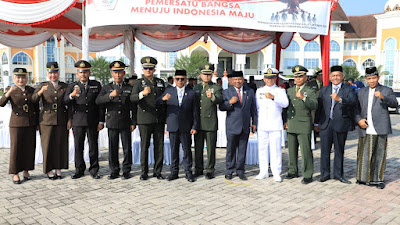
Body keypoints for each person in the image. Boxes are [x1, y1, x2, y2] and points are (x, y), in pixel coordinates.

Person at [354, 67, 398, 189]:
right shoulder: (361, 92)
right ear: (366, 79)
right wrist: (359, 120)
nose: (372, 80)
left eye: (374, 78)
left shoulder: (386, 90)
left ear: (378, 78)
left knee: (379, 154)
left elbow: (395, 104)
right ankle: (362, 177)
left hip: (380, 127)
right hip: (365, 127)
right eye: (369, 78)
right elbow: (355, 109)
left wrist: (383, 97)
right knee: (363, 154)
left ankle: (378, 179)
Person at [314, 65, 357, 184]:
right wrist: (316, 122)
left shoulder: (348, 89)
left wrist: (340, 99)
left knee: (339, 151)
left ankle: (338, 174)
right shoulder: (324, 89)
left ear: (342, 77)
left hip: (340, 124)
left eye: (338, 75)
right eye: (333, 75)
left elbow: (354, 103)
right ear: (330, 77)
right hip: (325, 124)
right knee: (325, 151)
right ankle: (325, 174)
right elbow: (319, 108)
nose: (336, 77)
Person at [64, 60, 104, 179]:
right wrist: (72, 95)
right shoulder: (71, 86)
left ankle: (94, 169)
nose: (83, 74)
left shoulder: (96, 85)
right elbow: (65, 101)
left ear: (89, 72)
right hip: (78, 120)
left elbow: (100, 105)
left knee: (93, 146)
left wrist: (101, 121)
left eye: (85, 72)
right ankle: (79, 169)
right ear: (77, 73)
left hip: (93, 120)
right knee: (78, 146)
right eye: (81, 72)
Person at [96, 61, 136, 180]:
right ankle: (114, 170)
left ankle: (126, 170)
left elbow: (133, 106)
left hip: (125, 121)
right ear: (112, 73)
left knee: (127, 148)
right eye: (115, 72)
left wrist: (134, 122)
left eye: (119, 72)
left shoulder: (129, 87)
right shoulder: (106, 87)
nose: (117, 75)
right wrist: (109, 96)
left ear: (124, 73)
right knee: (112, 148)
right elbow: (98, 102)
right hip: (112, 120)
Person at [157, 70, 199, 182]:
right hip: (173, 125)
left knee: (187, 150)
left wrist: (195, 126)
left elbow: (195, 111)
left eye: (182, 79)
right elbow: (157, 103)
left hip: (186, 126)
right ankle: (174, 172)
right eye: (177, 79)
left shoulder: (191, 93)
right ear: (174, 79)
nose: (180, 81)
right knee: (174, 150)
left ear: (186, 79)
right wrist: (163, 99)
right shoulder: (168, 90)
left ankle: (188, 172)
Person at [0, 68, 39, 184]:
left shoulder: (31, 90)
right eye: (18, 77)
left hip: (30, 123)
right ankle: (15, 172)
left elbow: (36, 107)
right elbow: (1, 103)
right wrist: (7, 94)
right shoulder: (11, 89)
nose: (21, 79)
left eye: (23, 77)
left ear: (27, 78)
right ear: (14, 78)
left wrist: (36, 123)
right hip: (16, 123)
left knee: (29, 147)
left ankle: (26, 170)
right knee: (16, 148)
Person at [130, 56, 166, 180]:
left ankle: (157, 171)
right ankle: (144, 172)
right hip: (144, 119)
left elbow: (163, 100)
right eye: (146, 68)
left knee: (159, 146)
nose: (148, 71)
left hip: (158, 119)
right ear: (143, 69)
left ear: (154, 70)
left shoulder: (160, 82)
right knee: (144, 146)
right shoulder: (139, 83)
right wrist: (142, 94)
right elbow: (132, 98)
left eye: (150, 68)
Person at [32, 62, 69, 179]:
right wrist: (40, 92)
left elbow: (68, 103)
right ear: (47, 73)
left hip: (61, 119)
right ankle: (48, 169)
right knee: (47, 145)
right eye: (51, 73)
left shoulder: (64, 86)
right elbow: (33, 99)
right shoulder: (42, 85)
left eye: (55, 73)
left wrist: (69, 119)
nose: (53, 75)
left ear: (58, 73)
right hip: (46, 120)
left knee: (60, 144)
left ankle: (58, 168)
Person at [219, 71, 257, 180]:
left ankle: (240, 171)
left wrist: (254, 122)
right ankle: (229, 170)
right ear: (231, 81)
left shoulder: (249, 91)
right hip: (232, 125)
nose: (237, 81)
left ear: (243, 80)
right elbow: (222, 107)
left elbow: (253, 109)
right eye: (235, 79)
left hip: (245, 126)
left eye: (239, 79)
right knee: (231, 149)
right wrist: (230, 102)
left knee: (242, 149)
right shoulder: (227, 92)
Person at [283, 65, 317, 184]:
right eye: (296, 77)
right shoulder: (289, 90)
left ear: (305, 77)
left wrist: (303, 98)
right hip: (291, 123)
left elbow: (314, 105)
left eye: (300, 76)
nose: (298, 79)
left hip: (304, 124)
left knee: (305, 150)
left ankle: (307, 174)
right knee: (291, 150)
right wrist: (285, 121)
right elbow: (285, 108)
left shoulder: (310, 91)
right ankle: (292, 170)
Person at [255, 68, 288, 182]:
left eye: (272, 78)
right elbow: (257, 108)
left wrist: (274, 97)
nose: (269, 80)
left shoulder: (280, 91)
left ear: (275, 78)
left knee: (275, 150)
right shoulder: (259, 91)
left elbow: (285, 104)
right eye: (267, 78)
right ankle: (263, 171)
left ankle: (276, 172)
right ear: (264, 79)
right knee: (262, 149)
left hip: (275, 124)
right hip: (263, 124)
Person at [193, 64, 223, 179]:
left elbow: (220, 100)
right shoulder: (196, 87)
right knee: (198, 147)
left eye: (208, 74)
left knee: (210, 148)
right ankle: (198, 169)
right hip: (198, 122)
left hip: (210, 122)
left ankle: (210, 169)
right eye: (204, 74)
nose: (206, 76)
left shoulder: (216, 87)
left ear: (212, 75)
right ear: (200, 75)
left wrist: (212, 97)